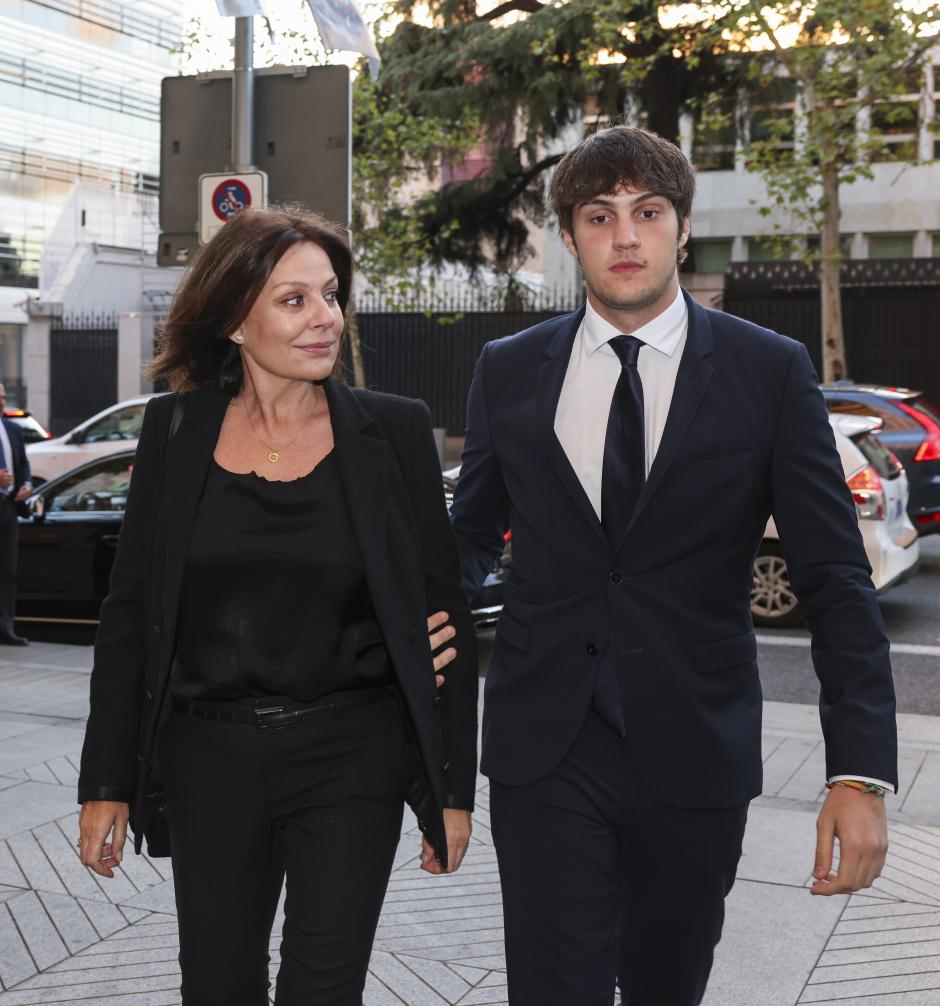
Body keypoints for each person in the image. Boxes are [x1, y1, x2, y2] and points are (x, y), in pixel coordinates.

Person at [450, 126, 897, 1006]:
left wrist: (859, 773)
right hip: (545, 750)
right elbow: (471, 538)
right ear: (571, 235)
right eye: (599, 215)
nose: (625, 236)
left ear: (681, 228)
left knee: (666, 987)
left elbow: (836, 579)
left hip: (695, 749)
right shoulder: (509, 372)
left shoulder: (770, 372)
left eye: (647, 213)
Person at [77, 207, 478, 1005]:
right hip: (205, 757)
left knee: (322, 990)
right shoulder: (174, 429)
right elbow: (130, 618)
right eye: (295, 300)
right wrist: (106, 780)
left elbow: (446, 619)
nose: (325, 318)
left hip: (351, 753)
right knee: (218, 986)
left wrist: (450, 790)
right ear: (234, 317)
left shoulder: (394, 432)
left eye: (331, 296)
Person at [0, 382, 32, 646]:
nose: (1, 402)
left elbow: (22, 463)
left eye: (2, 397)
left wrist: (26, 484)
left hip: (8, 507)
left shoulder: (12, 428)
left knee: (8, 572)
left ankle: (6, 629)